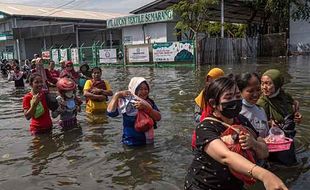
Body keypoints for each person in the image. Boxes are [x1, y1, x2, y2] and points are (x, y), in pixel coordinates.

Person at [185, 77, 287, 190]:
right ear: (213, 103)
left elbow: (264, 152)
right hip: (204, 186)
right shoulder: (205, 127)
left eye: (238, 96)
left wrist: (253, 143)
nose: (235, 100)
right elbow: (226, 157)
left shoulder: (242, 120)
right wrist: (264, 175)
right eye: (228, 97)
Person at [257, 69, 302, 165]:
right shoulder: (262, 102)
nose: (264, 87)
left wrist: (297, 114)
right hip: (273, 144)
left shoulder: (284, 96)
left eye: (268, 84)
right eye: (262, 83)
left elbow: (294, 104)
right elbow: (257, 123)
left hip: (287, 138)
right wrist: (269, 123)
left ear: (277, 85)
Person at [107, 77, 161, 146]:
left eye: (146, 89)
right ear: (133, 89)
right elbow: (111, 113)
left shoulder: (149, 102)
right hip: (130, 142)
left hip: (148, 141)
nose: (144, 92)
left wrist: (146, 108)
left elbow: (158, 118)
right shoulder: (125, 102)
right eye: (140, 89)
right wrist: (116, 96)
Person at [235, 73, 269, 138]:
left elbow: (266, 135)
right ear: (240, 91)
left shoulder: (261, 110)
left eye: (258, 90)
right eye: (250, 91)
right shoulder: (237, 112)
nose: (255, 94)